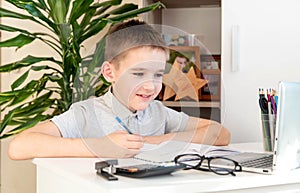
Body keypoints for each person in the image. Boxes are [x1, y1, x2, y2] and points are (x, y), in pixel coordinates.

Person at [8, 20, 230, 160]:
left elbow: (220, 134)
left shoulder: (158, 112)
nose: (150, 85)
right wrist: (99, 146)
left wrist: (153, 141)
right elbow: (19, 146)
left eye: (158, 74)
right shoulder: (85, 113)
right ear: (109, 73)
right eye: (138, 73)